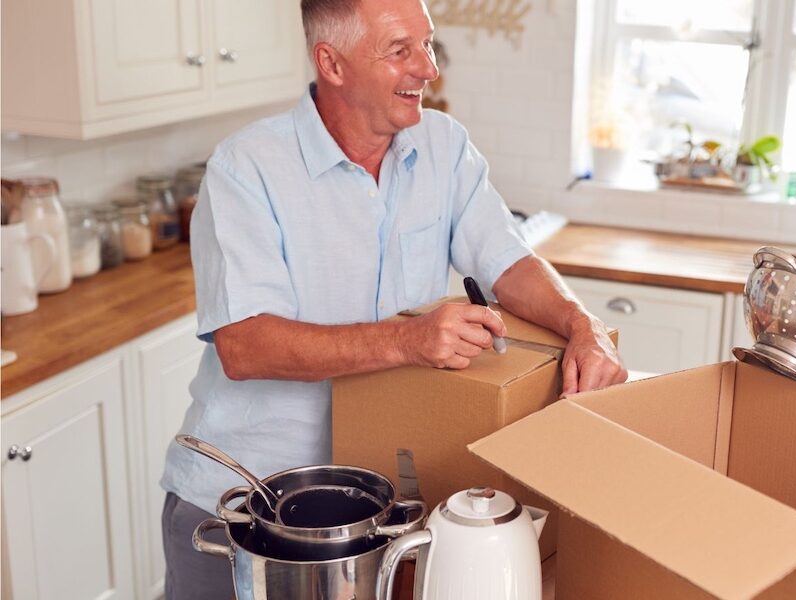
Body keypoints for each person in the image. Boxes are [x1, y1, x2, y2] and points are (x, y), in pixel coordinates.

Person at [159, 0, 627, 597]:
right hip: (249, 508)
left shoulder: (444, 146)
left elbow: (508, 261)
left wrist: (582, 324)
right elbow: (245, 347)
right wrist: (408, 339)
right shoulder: (246, 168)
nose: (428, 69)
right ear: (332, 62)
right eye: (400, 50)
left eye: (427, 45)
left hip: (377, 516)